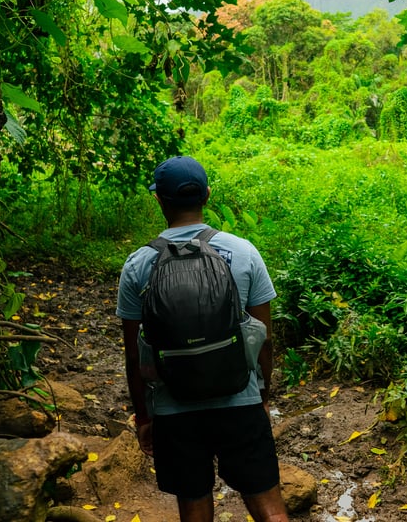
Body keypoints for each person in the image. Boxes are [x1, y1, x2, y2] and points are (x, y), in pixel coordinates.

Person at [116, 155, 289, 522]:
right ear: (207, 195)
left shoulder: (138, 264)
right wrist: (261, 395)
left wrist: (144, 417)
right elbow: (265, 340)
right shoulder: (244, 253)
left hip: (173, 408)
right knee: (270, 509)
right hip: (239, 400)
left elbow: (134, 355)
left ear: (159, 200)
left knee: (194, 510)